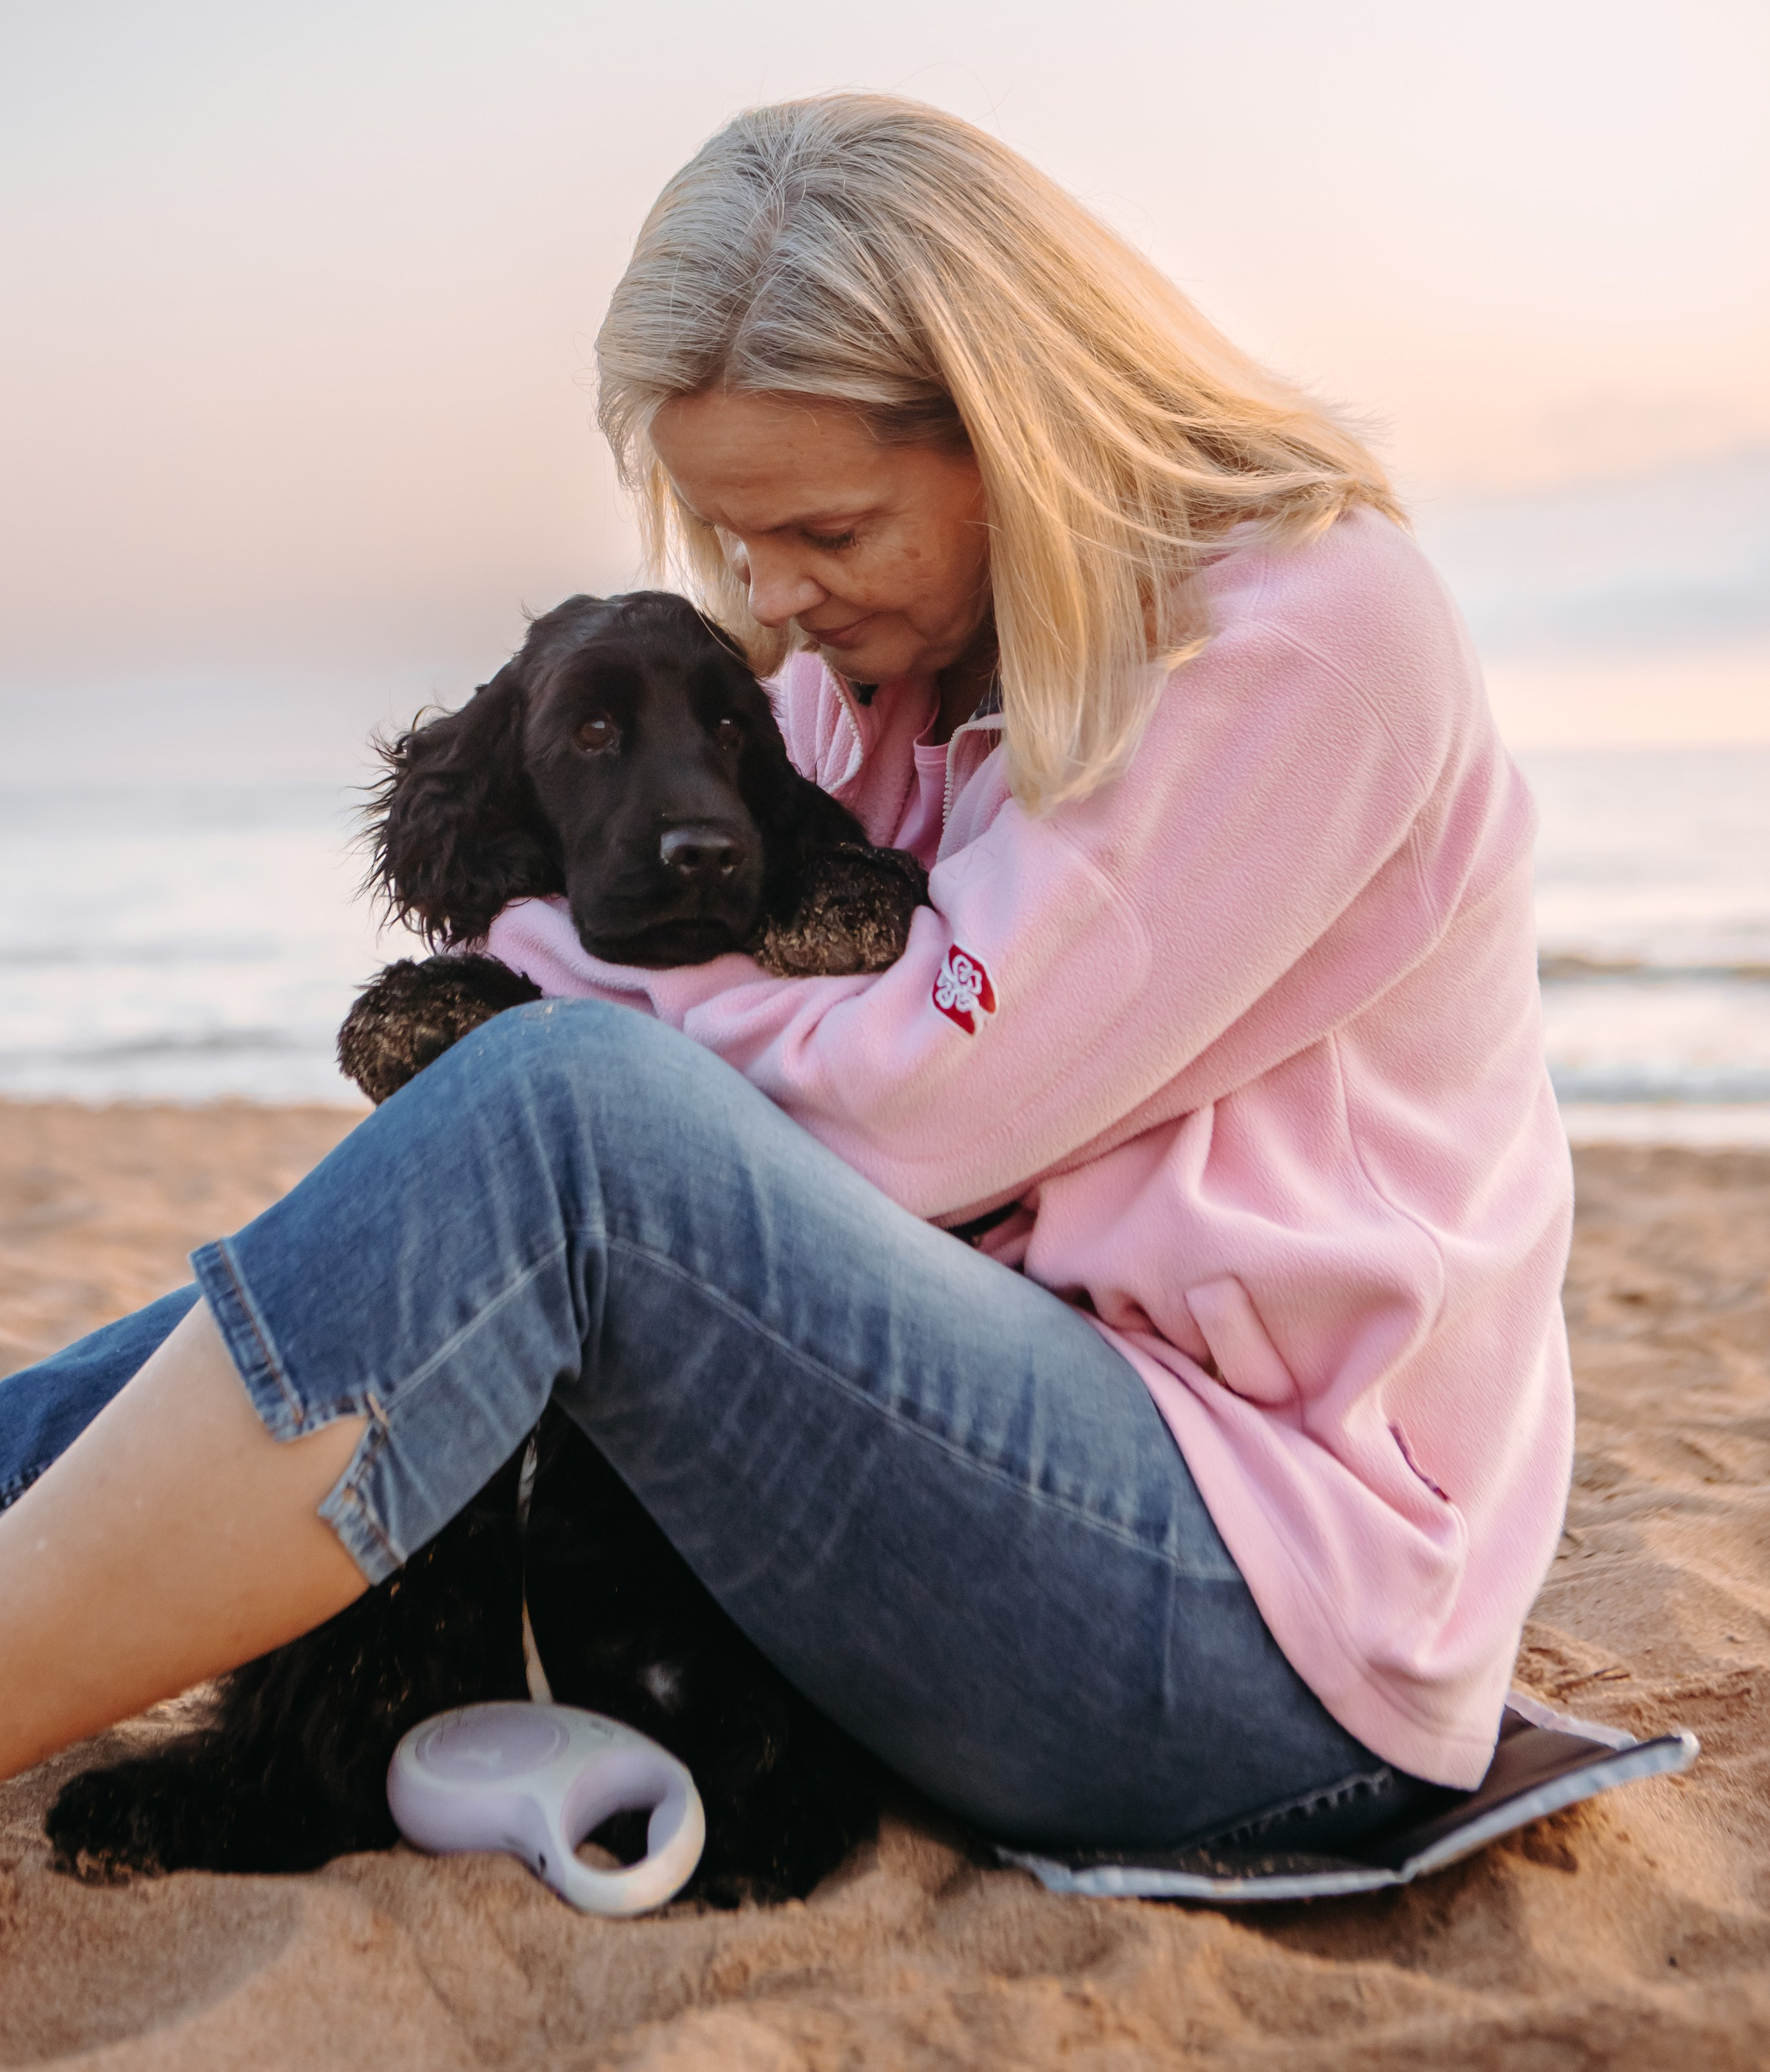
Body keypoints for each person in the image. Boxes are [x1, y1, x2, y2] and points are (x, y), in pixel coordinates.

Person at [0, 94, 1572, 1862]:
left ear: (1012, 431)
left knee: (557, 1115)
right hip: (973, 1477)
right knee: (400, 1222)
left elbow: (905, 1114)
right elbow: (729, 1076)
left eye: (826, 530)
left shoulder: (1305, 639)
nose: (771, 595)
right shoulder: (874, 679)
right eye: (730, 535)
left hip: (1261, 1623)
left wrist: (543, 959)